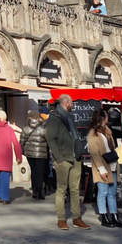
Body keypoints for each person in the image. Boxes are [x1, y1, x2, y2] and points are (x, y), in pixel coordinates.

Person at [46, 94, 90, 231]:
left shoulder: (69, 117)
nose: (73, 105)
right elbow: (50, 138)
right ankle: (61, 219)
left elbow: (74, 136)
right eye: (72, 103)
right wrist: (58, 159)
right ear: (66, 103)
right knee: (62, 190)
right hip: (63, 159)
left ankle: (77, 218)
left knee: (75, 189)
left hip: (75, 157)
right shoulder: (54, 118)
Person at [88, 110, 122, 229]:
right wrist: (101, 169)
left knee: (112, 193)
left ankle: (115, 216)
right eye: (106, 115)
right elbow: (95, 153)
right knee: (103, 192)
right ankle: (104, 216)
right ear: (102, 117)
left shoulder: (107, 131)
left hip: (112, 165)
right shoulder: (93, 133)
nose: (108, 117)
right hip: (103, 167)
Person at [20, 110, 49, 200]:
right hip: (41, 153)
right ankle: (39, 193)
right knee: (40, 173)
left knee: (33, 171)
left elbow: (21, 142)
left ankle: (34, 191)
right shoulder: (43, 128)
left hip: (29, 153)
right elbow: (48, 141)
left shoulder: (25, 128)